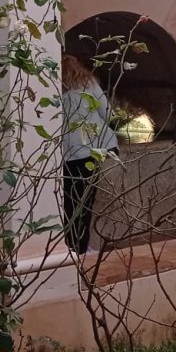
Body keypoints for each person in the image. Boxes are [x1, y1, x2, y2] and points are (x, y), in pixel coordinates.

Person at [60, 55, 119, 254]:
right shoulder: (89, 84)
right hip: (89, 152)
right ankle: (82, 247)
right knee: (85, 202)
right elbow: (107, 113)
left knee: (68, 203)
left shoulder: (55, 89)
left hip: (65, 155)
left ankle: (68, 246)